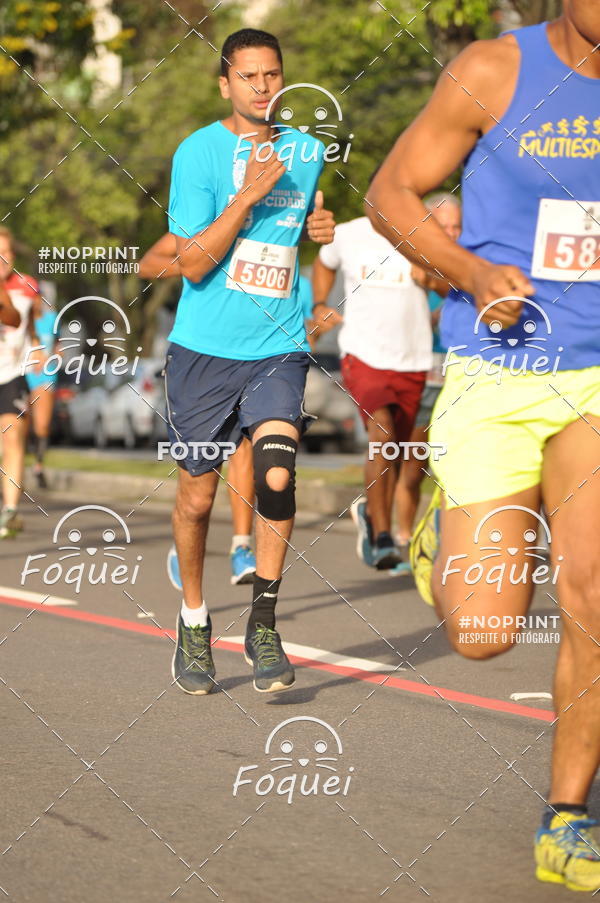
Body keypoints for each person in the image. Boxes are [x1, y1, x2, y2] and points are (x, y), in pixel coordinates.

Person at [368, 4, 600, 891]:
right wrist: (466, 271)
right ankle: (445, 527)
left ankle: (568, 815)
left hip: (595, 374)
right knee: (485, 631)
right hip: (499, 370)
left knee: (590, 593)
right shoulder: (495, 70)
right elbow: (391, 193)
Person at [165, 28, 335, 695]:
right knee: (198, 494)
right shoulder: (199, 154)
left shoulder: (308, 151)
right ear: (225, 83)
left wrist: (321, 234)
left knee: (274, 472)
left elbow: (300, 234)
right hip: (204, 349)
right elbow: (193, 262)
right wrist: (245, 196)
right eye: (249, 76)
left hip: (278, 345)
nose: (262, 87)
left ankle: (263, 620)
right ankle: (195, 620)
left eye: (273, 75)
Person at [312, 175, 438, 571]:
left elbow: (452, 284)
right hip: (363, 353)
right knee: (381, 433)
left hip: (414, 357)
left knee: (396, 453)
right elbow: (323, 263)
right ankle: (383, 537)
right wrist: (319, 304)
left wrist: (431, 276)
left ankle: (370, 513)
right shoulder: (348, 234)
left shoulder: (422, 235)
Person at [139, 234, 258, 586]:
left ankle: (241, 547)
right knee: (199, 476)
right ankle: (185, 541)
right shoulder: (204, 220)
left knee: (244, 447)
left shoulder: (272, 217)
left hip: (255, 351)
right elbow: (146, 265)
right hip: (200, 355)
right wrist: (200, 265)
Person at [395, 193, 461, 549]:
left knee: (456, 463)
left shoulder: (472, 264)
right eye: (443, 225)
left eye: (456, 226)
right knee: (413, 464)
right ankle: (403, 536)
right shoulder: (412, 262)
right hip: (423, 374)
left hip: (462, 376)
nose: (451, 232)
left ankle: (449, 537)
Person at [0, 227, 40, 538]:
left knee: (14, 438)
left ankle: (10, 510)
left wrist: (39, 346)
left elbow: (21, 321)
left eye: (6, 253)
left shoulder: (26, 285)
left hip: (12, 373)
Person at [26, 302, 59, 490]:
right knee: (21, 425)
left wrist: (55, 356)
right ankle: (15, 468)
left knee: (42, 425)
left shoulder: (52, 320)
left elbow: (58, 345)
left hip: (45, 377)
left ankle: (38, 466)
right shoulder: (20, 318)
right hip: (21, 375)